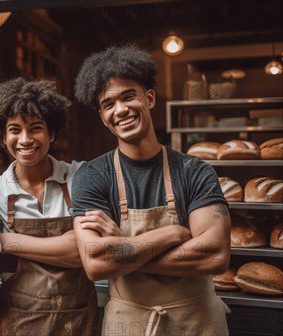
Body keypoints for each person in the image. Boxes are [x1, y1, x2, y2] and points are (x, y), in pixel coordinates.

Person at [72, 44, 231, 336]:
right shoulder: (92, 176)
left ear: (150, 98)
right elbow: (96, 262)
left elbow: (214, 254)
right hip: (128, 323)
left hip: (199, 322)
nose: (120, 110)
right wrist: (170, 234)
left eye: (128, 96)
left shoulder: (195, 171)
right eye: (108, 104)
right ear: (102, 115)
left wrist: (125, 245)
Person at [0, 78, 101, 336]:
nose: (25, 139)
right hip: (18, 323)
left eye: (35, 128)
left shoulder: (79, 177)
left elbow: (80, 250)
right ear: (4, 137)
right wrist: (65, 241)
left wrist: (4, 239)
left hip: (79, 321)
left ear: (52, 133)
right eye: (14, 130)